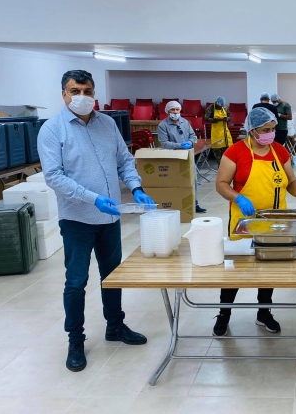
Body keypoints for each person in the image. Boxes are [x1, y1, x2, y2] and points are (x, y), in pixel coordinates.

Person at [37, 70, 155, 372]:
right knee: (76, 282)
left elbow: (124, 160)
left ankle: (115, 325)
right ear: (63, 94)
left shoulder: (107, 124)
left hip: (110, 216)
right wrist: (93, 199)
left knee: (112, 274)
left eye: (87, 91)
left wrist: (137, 187)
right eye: (75, 91)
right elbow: (54, 177)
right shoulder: (52, 130)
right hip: (77, 218)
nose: (82, 97)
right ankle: (75, 339)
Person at [214, 107, 296, 336]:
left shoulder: (280, 152)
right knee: (236, 268)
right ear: (252, 130)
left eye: (272, 129)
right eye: (265, 130)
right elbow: (221, 183)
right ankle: (224, 314)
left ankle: (264, 312)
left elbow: (291, 181)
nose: (270, 134)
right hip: (245, 220)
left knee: (268, 266)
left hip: (275, 220)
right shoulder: (235, 152)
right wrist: (238, 197)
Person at [157, 101, 206, 214]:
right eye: (172, 110)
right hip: (173, 157)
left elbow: (193, 136)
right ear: (168, 111)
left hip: (188, 155)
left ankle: (194, 203)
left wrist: (189, 142)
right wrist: (180, 145)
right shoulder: (163, 125)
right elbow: (165, 143)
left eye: (177, 110)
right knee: (176, 181)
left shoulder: (185, 122)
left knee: (192, 180)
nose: (175, 112)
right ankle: (177, 204)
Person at [204, 96, 233, 165]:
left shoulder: (225, 107)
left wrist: (227, 119)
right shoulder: (211, 108)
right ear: (217, 102)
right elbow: (206, 118)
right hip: (216, 132)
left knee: (228, 150)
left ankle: (228, 167)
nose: (221, 107)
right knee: (217, 151)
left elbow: (230, 117)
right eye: (220, 106)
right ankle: (220, 167)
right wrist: (216, 119)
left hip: (225, 132)